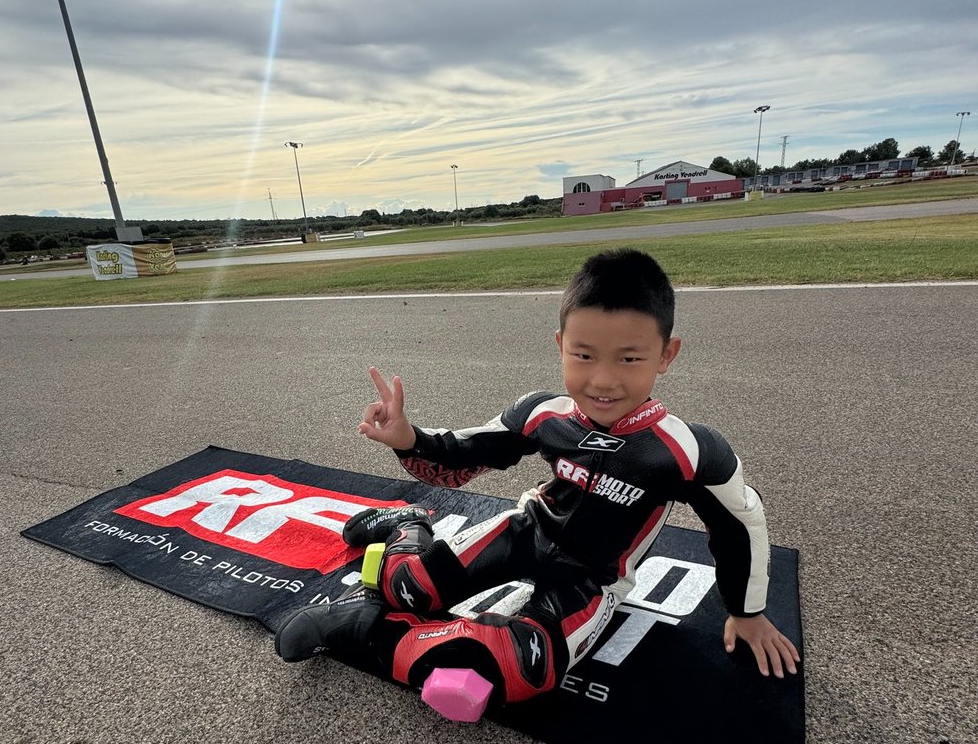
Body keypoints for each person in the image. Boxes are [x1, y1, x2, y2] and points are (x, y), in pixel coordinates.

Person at [275, 247, 798, 714]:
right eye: (584, 355)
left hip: (592, 580)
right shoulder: (544, 413)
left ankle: (365, 628)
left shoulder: (689, 450)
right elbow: (462, 457)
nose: (603, 379)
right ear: (560, 344)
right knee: (404, 585)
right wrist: (408, 438)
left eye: (629, 358)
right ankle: (407, 525)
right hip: (524, 531)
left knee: (522, 667)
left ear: (666, 355)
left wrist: (747, 612)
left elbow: (741, 522)